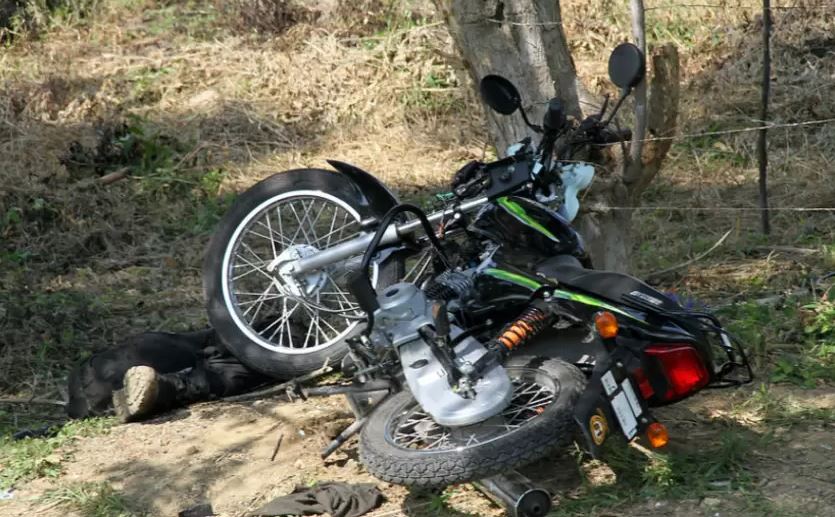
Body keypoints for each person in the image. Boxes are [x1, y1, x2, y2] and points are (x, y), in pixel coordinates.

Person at [67, 328, 271, 422]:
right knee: (230, 369)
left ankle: (165, 386)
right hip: (118, 373)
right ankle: (169, 387)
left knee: (218, 347)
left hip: (88, 377)